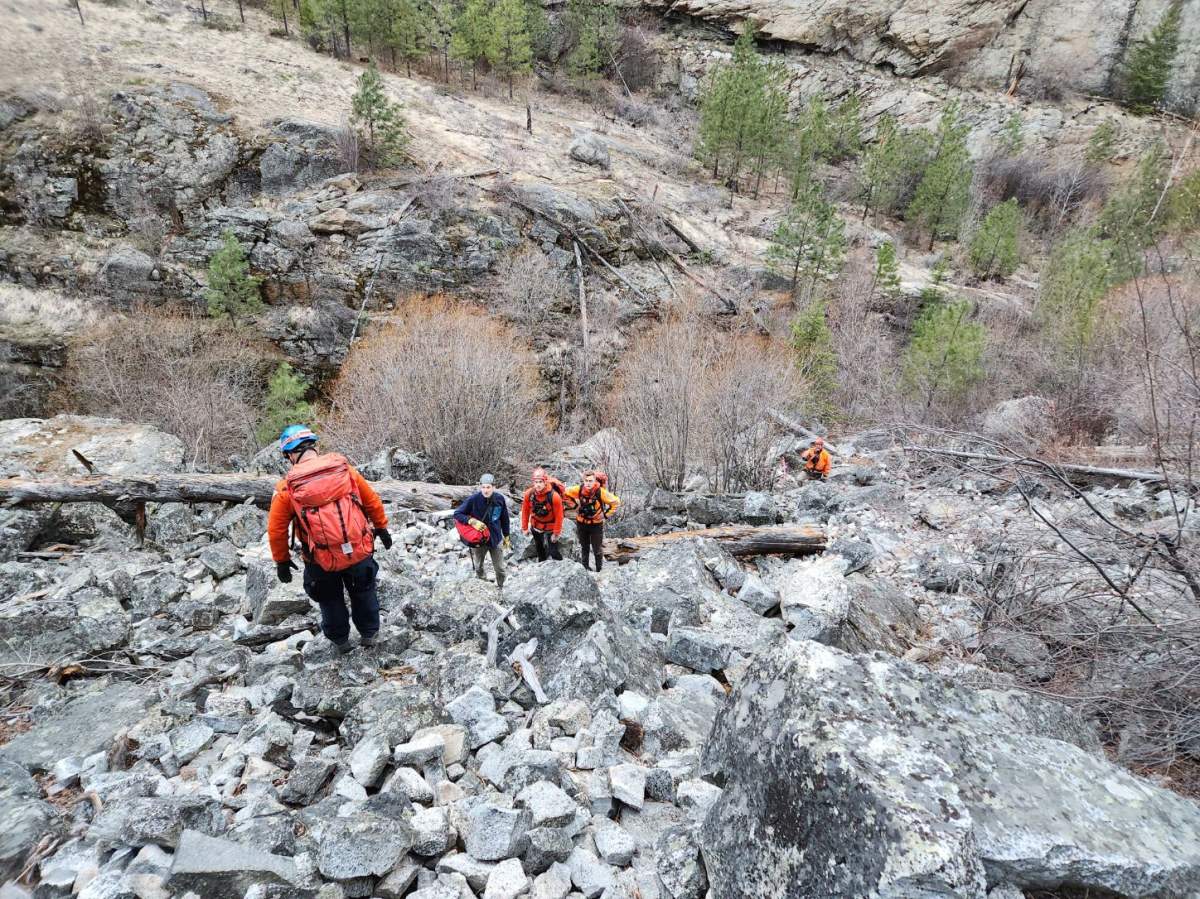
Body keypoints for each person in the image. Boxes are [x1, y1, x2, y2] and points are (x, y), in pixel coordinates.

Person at [267, 425, 391, 654]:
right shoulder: (345, 470)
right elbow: (371, 500)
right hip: (357, 549)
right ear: (313, 446)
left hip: (319, 557)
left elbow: (276, 529)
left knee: (330, 599)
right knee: (364, 591)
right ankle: (369, 635)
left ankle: (341, 642)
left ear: (290, 454)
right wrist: (382, 527)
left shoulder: (287, 486)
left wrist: (281, 561)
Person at [453, 473, 512, 587]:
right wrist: (472, 521)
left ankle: (501, 588)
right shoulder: (473, 499)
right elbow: (457, 514)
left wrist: (507, 536)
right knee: (478, 566)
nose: (486, 490)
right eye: (483, 487)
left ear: (494, 487)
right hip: (479, 540)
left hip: (495, 539)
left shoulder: (499, 499)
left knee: (500, 569)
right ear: (480, 487)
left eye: (488, 487)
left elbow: (505, 518)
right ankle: (483, 585)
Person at [563, 471, 620, 573]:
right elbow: (564, 493)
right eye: (586, 481)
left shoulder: (600, 492)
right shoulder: (579, 489)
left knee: (597, 549)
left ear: (595, 481)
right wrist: (575, 506)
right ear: (583, 481)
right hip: (581, 523)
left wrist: (605, 514)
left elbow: (616, 502)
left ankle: (599, 569)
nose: (588, 483)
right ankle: (585, 568)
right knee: (584, 547)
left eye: (590, 481)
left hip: (596, 525)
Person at [521, 467, 564, 562]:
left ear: (545, 482)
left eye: (540, 482)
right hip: (536, 525)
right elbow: (525, 511)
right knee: (539, 548)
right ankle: (541, 565)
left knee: (553, 551)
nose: (538, 485)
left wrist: (556, 533)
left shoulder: (554, 496)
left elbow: (559, 516)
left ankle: (561, 566)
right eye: (536, 482)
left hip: (550, 527)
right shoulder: (529, 494)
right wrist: (524, 528)